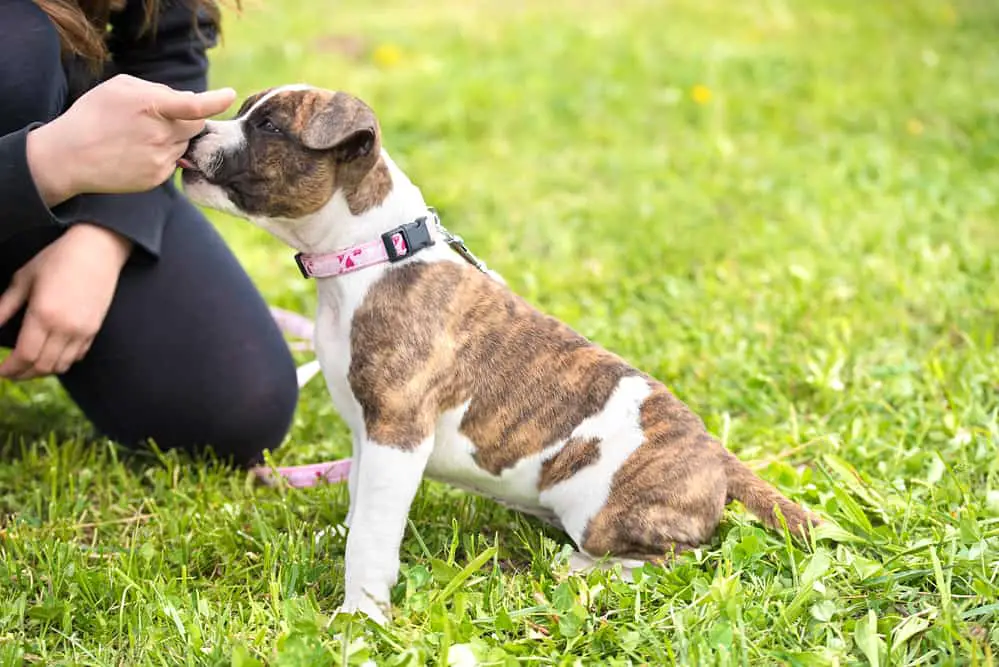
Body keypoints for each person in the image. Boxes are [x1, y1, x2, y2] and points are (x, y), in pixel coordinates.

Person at [0, 0, 299, 467]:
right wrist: (46, 163)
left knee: (237, 402)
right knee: (16, 47)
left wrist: (103, 232)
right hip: (36, 152)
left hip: (45, 184)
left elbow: (167, 47)